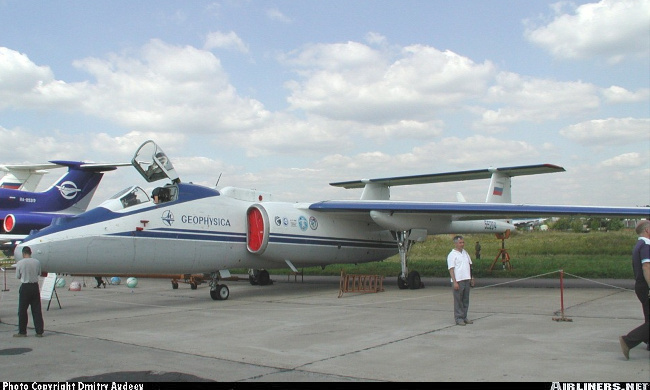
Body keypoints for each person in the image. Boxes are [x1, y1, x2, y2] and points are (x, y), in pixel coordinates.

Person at [619, 219, 650, 359]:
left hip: (641, 285)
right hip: (646, 285)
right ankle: (628, 340)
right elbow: (646, 267)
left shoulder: (638, 244)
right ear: (647, 230)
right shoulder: (646, 245)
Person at [14, 246, 44, 337]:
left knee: (22, 310)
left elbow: (18, 276)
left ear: (23, 253)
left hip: (25, 287)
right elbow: (39, 273)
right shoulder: (37, 262)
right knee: (36, 310)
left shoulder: (20, 263)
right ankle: (39, 331)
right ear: (31, 253)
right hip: (35, 286)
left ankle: (22, 331)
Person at [447, 235, 475, 326]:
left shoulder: (465, 253)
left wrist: (471, 277)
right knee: (458, 300)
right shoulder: (452, 255)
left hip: (466, 279)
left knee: (465, 300)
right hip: (458, 280)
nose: (462, 244)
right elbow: (451, 269)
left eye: (463, 242)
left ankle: (464, 317)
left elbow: (470, 266)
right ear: (455, 244)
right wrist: (455, 282)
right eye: (460, 243)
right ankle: (458, 318)